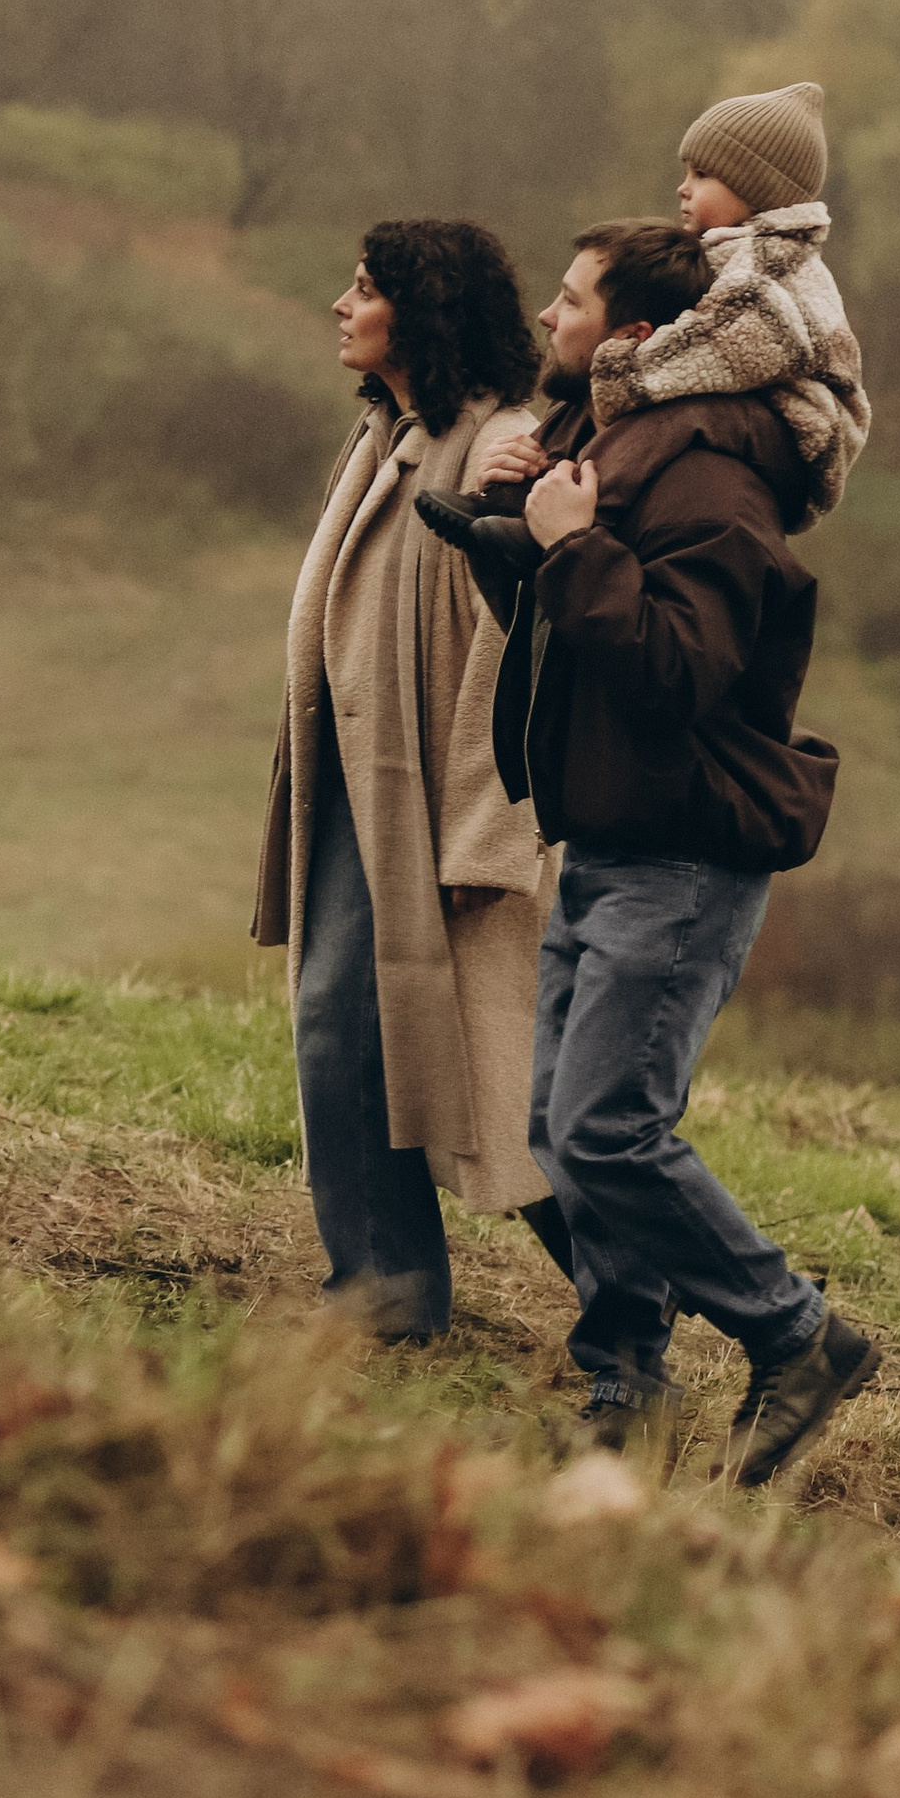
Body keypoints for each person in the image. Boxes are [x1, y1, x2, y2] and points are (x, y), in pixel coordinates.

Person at [419, 131, 878, 1485]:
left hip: (684, 851)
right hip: (613, 832)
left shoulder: (716, 477)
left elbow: (678, 669)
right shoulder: (630, 444)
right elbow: (582, 631)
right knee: (564, 1128)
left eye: (570, 298)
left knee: (610, 1126)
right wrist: (525, 536)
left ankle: (800, 1338)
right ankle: (625, 1379)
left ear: (643, 328)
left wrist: (574, 543)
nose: (549, 319)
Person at [252, 218, 573, 1343]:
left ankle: (650, 1292)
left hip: (436, 810)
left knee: (499, 1070)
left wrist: (488, 833)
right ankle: (383, 1291)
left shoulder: (499, 445)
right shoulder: (390, 433)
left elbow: (516, 642)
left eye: (363, 289)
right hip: (359, 783)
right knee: (342, 1028)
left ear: (418, 312)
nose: (342, 306)